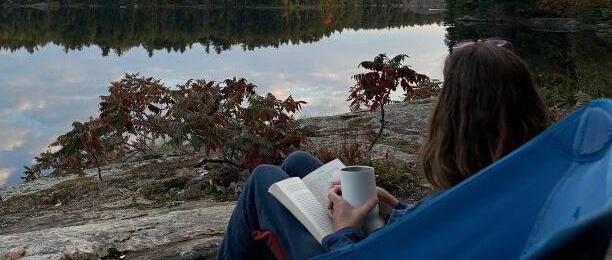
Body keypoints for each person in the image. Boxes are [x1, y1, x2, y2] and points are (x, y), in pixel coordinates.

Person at [217, 40, 552, 260]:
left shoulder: (483, 197)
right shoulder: (517, 177)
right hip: (408, 243)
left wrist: (343, 232)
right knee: (299, 162)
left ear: (455, 122)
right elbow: (441, 217)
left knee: (266, 179)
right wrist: (395, 208)